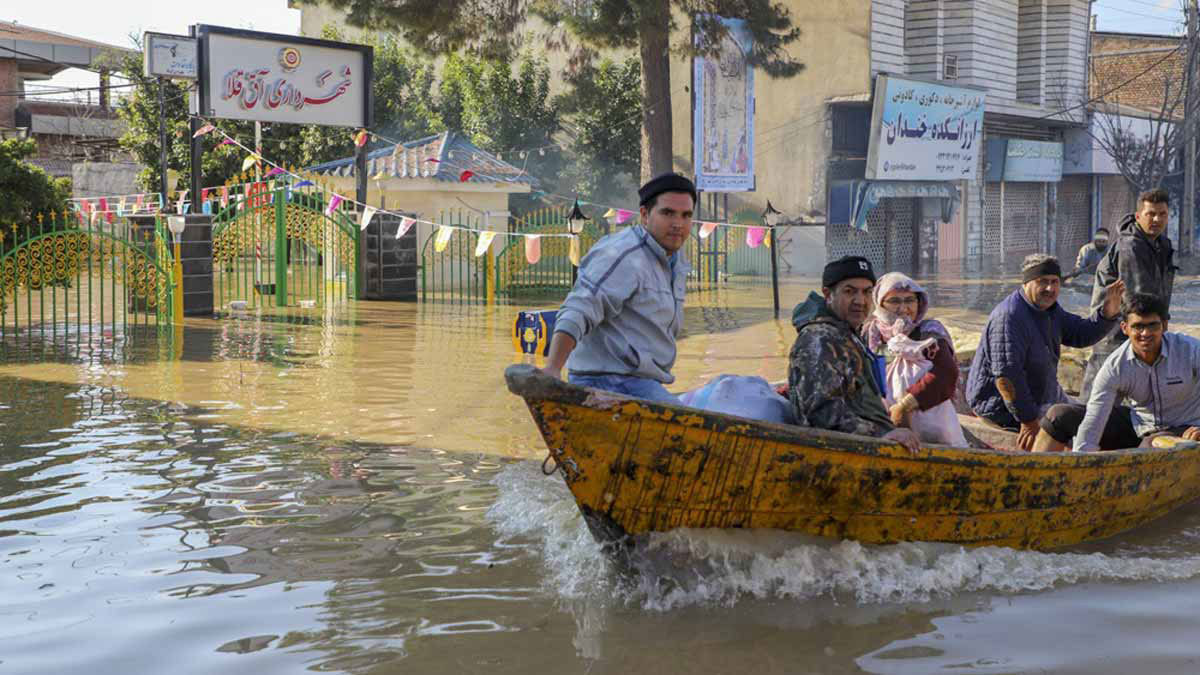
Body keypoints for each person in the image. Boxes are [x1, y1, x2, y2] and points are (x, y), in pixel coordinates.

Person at [539, 173, 695, 402]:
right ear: (644, 214)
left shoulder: (675, 261)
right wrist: (553, 368)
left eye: (686, 215)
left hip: (643, 383)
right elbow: (580, 308)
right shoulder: (624, 254)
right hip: (607, 382)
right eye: (667, 213)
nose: (678, 224)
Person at [966, 254, 1124, 451]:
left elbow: (1080, 335)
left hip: (1043, 393)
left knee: (1093, 421)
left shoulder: (1050, 310)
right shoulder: (1010, 317)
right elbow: (1007, 377)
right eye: (1043, 282)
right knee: (1075, 435)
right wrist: (1028, 420)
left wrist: (1107, 314)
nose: (1050, 289)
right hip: (1002, 407)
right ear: (1027, 283)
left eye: (1055, 282)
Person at [788, 256, 921, 453]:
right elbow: (821, 411)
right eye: (850, 291)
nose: (860, 301)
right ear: (828, 294)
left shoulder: (848, 332)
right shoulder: (819, 339)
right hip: (844, 452)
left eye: (867, 292)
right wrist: (878, 434)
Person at [1035, 294, 1200, 452]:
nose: (1145, 333)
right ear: (1125, 328)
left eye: (1152, 325)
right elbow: (1095, 418)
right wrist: (1083, 456)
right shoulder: (1115, 366)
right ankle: (1033, 474)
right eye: (1138, 326)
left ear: (1164, 326)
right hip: (1141, 427)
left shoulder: (1190, 350)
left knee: (1151, 444)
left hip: (1186, 429)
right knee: (1059, 416)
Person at [1079, 188, 1176, 400]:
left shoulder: (1161, 245)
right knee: (1098, 401)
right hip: (1114, 332)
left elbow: (1159, 293)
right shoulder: (1131, 246)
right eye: (1151, 214)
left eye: (1162, 214)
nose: (1157, 219)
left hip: (1141, 330)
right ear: (1139, 215)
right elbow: (1138, 299)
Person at [862, 272, 965, 445]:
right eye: (894, 301)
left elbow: (946, 374)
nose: (903, 308)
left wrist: (904, 406)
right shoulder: (869, 334)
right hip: (881, 420)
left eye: (910, 300)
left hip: (931, 429)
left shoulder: (930, 333)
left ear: (920, 302)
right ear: (880, 305)